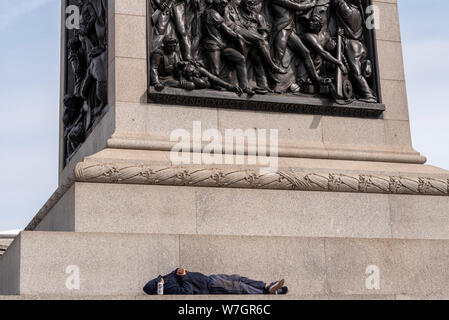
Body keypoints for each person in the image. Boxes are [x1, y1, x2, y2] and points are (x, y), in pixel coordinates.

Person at [143, 268, 288, 295]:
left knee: (239, 278)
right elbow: (186, 292)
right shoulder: (169, 287)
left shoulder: (167, 278)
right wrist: (184, 276)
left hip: (209, 278)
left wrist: (178, 271)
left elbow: (176, 272)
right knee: (239, 287)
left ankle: (267, 285)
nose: (161, 279)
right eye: (159, 281)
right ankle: (270, 291)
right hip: (209, 286)